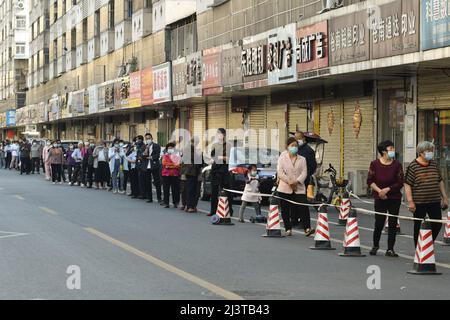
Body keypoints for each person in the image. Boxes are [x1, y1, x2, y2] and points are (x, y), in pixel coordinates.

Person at [405, 141, 448, 248]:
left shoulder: (433, 164)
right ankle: (418, 248)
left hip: (434, 201)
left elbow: (440, 181)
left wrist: (444, 197)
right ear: (420, 152)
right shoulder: (413, 166)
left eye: (431, 150)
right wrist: (410, 201)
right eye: (428, 151)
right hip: (419, 202)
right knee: (418, 226)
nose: (431, 153)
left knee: (437, 224)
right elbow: (407, 184)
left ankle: (427, 244)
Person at [367, 140, 404, 257]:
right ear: (383, 151)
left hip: (394, 197)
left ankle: (390, 248)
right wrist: (379, 191)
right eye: (390, 149)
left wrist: (387, 189)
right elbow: (370, 180)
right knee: (379, 222)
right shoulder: (375, 164)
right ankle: (375, 245)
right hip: (379, 197)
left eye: (393, 148)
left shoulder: (397, 164)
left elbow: (400, 182)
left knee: (393, 223)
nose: (393, 151)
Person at [277, 137, 315, 237]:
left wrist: (296, 182)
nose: (294, 147)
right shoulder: (282, 157)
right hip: (285, 187)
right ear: (287, 147)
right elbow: (280, 172)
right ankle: (288, 229)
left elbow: (304, 172)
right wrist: (289, 182)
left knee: (303, 206)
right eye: (292, 146)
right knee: (285, 209)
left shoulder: (302, 159)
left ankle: (307, 228)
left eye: (296, 146)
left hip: (299, 187)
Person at [293, 131, 317, 227]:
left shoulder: (308, 151)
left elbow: (312, 166)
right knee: (292, 202)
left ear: (303, 139)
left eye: (298, 139)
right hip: (292, 180)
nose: (296, 141)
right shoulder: (294, 149)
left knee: (302, 201)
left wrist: (304, 176)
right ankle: (294, 220)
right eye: (295, 139)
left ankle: (303, 222)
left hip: (303, 180)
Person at [208, 128, 234, 217]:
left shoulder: (229, 145)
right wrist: (212, 160)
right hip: (215, 170)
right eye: (217, 133)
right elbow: (212, 157)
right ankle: (213, 210)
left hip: (224, 170)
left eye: (220, 133)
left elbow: (230, 158)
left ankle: (229, 209)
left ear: (224, 135)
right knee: (214, 191)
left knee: (226, 191)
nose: (219, 135)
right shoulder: (214, 145)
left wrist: (221, 157)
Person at [181, 136, 203, 213]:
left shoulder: (196, 150)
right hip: (190, 171)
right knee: (190, 189)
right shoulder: (188, 149)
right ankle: (189, 206)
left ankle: (191, 205)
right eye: (194, 142)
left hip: (193, 171)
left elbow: (200, 162)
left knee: (193, 189)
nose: (195, 144)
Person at [143, 133, 162, 203]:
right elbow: (143, 155)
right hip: (146, 166)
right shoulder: (144, 146)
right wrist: (146, 149)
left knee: (157, 182)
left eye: (149, 138)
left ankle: (159, 198)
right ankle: (149, 198)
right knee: (148, 182)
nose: (148, 140)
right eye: (146, 139)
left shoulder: (156, 146)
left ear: (152, 138)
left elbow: (157, 155)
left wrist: (150, 157)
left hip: (154, 165)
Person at [161, 142, 181, 208]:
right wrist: (173, 165)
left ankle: (176, 202)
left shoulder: (177, 156)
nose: (170, 149)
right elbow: (164, 163)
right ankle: (166, 202)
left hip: (175, 174)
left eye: (171, 148)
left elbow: (178, 165)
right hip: (166, 174)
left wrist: (169, 166)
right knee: (166, 189)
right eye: (169, 148)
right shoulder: (165, 156)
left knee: (175, 189)